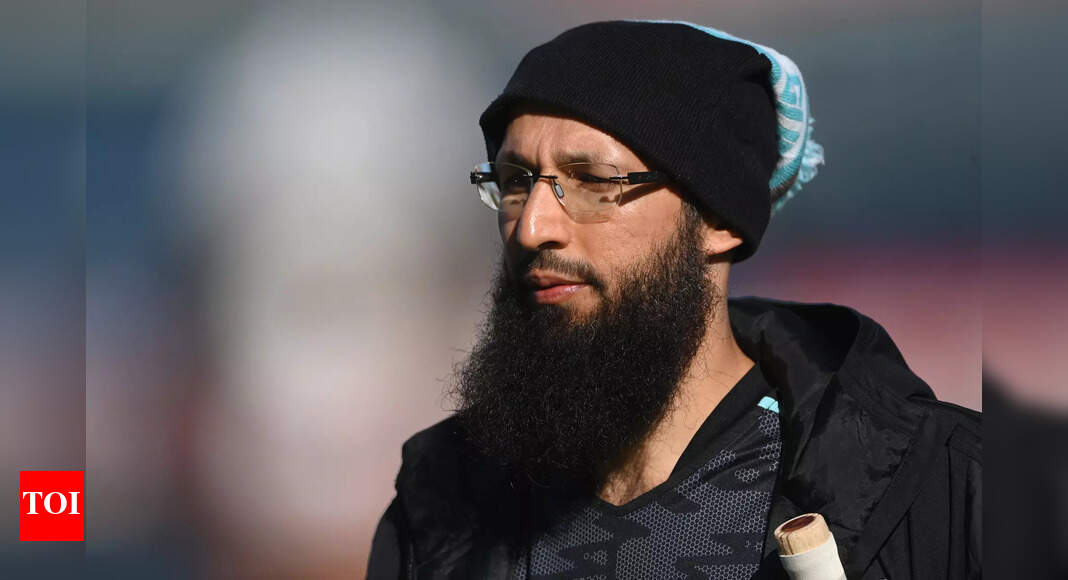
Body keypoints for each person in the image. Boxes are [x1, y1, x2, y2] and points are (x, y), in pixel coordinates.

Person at [368, 20, 980, 579]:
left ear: (718, 218)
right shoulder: (440, 506)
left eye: (593, 180)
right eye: (514, 182)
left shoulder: (946, 487)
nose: (532, 228)